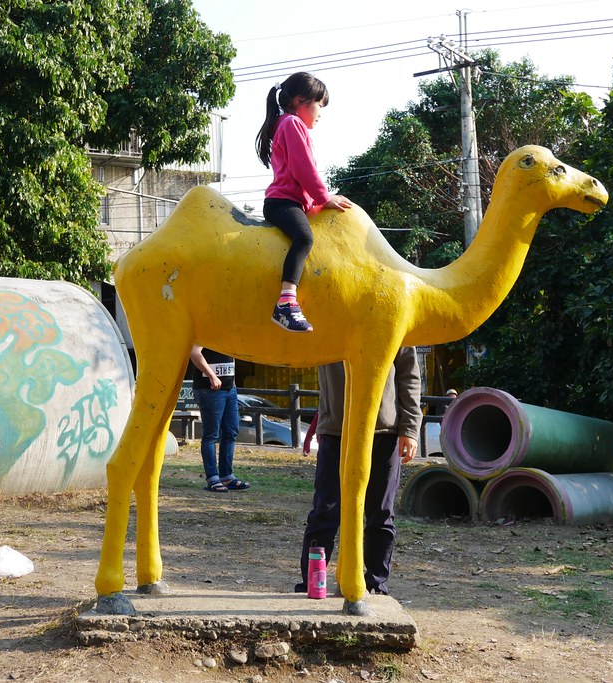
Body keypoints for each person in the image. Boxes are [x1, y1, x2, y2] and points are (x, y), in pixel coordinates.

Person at [296, 347, 422, 596]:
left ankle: (375, 583)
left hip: (383, 431)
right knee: (326, 511)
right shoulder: (327, 314)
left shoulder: (394, 314)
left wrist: (409, 428)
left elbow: (409, 373)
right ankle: (311, 582)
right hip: (336, 429)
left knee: (381, 513)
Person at [255, 71, 353, 333]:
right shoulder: (292, 124)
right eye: (319, 105)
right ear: (301, 101)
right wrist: (325, 198)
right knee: (304, 238)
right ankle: (286, 302)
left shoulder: (285, 123)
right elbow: (303, 169)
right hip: (282, 202)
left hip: (289, 201)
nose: (321, 113)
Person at [189, 345, 250, 493]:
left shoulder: (227, 333)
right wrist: (212, 376)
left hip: (230, 389)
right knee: (211, 434)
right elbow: (194, 353)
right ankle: (213, 479)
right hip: (209, 389)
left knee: (231, 432)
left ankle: (227, 477)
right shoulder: (206, 330)